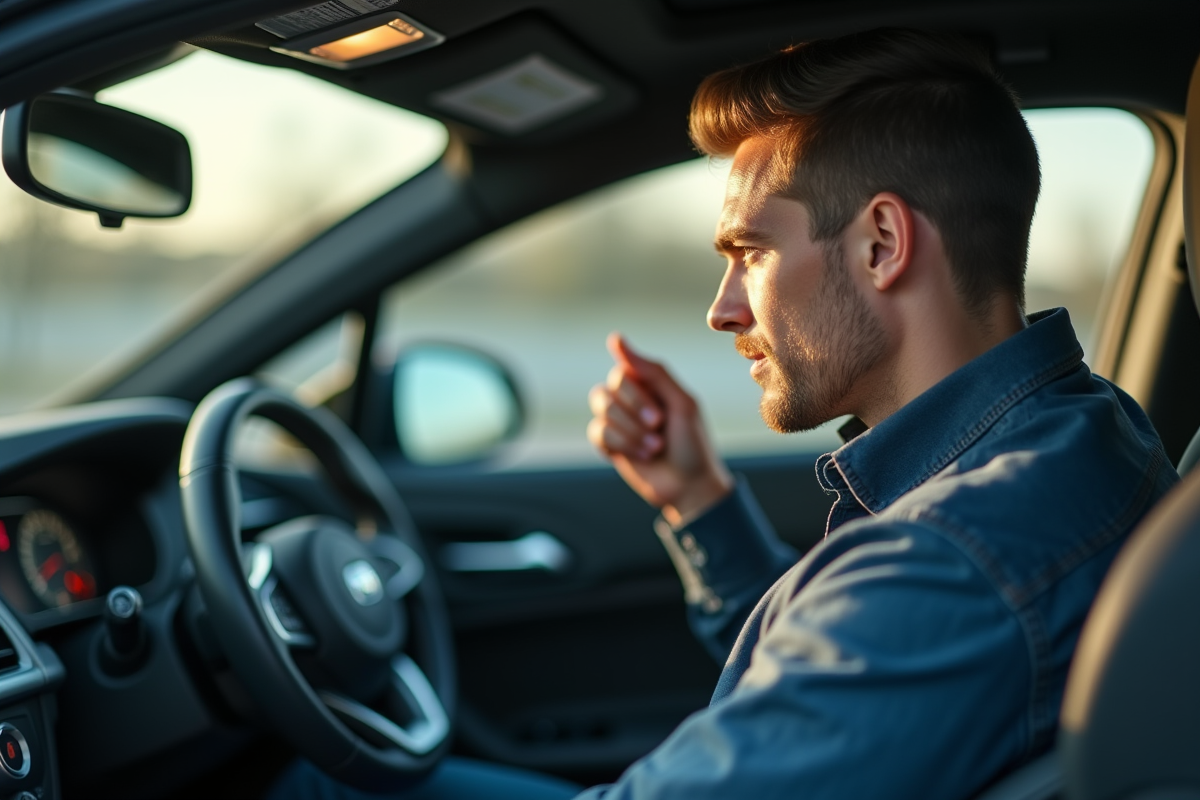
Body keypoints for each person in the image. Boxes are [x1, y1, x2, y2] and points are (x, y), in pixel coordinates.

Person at [271, 26, 1178, 800]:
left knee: (306, 780)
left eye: (749, 251)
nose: (724, 309)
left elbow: (898, 622)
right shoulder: (1089, 429)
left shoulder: (956, 562)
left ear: (882, 244)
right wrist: (696, 499)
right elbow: (850, 666)